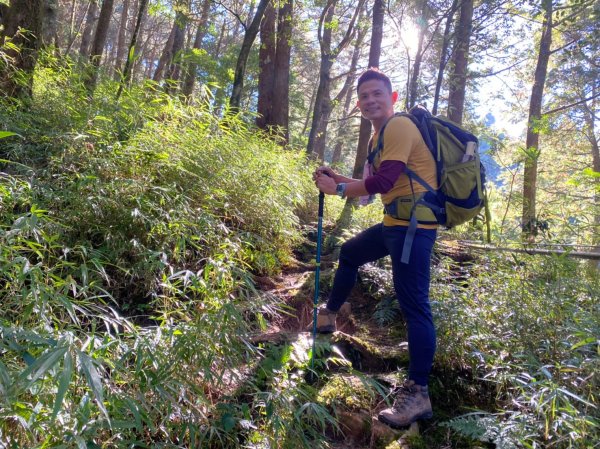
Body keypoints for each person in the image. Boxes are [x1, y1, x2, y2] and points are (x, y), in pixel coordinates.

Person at [313, 68, 438, 428]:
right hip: (394, 223)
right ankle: (329, 314)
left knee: (414, 305)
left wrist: (334, 191)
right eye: (364, 96)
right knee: (351, 252)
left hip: (413, 228)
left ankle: (418, 394)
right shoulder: (377, 137)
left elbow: (382, 182)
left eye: (377, 94)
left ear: (392, 96)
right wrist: (338, 180)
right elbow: (371, 189)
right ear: (358, 103)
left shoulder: (398, 127)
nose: (370, 101)